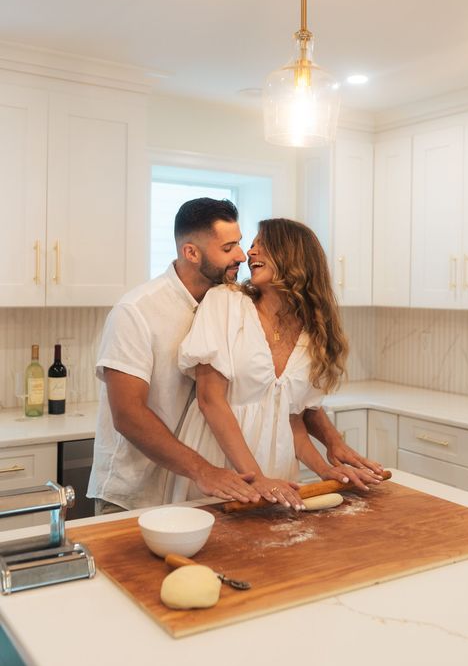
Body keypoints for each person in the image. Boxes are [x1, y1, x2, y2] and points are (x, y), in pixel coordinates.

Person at [88, 200, 382, 514]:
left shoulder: (228, 300)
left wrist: (331, 447)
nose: (243, 255)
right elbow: (129, 416)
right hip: (137, 488)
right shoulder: (137, 311)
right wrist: (206, 471)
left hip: (218, 478)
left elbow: (286, 403)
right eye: (230, 247)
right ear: (192, 253)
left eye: (243, 244)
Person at [164, 218, 383, 509]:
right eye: (251, 245)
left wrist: (325, 471)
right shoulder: (225, 303)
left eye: (261, 245)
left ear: (292, 256)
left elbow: (290, 422)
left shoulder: (312, 332)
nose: (250, 253)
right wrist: (255, 478)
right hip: (223, 470)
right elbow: (210, 400)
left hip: (277, 477)